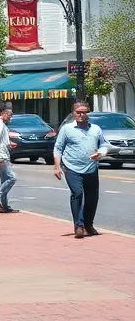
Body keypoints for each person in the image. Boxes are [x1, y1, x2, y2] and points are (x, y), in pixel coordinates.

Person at [54, 102, 111, 238]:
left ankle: (88, 224)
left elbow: (104, 144)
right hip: (72, 167)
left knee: (92, 197)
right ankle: (79, 226)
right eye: (78, 112)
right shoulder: (67, 129)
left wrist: (101, 153)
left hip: (91, 168)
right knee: (77, 193)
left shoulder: (95, 129)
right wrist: (57, 167)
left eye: (84, 112)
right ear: (73, 113)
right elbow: (58, 147)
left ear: (87, 113)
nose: (81, 115)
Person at [0, 107, 19, 214]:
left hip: (4, 154)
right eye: (9, 116)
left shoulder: (3, 126)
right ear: (3, 114)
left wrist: (9, 144)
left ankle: (5, 206)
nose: (10, 119)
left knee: (5, 181)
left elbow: (2, 141)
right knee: (12, 178)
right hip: (2, 156)